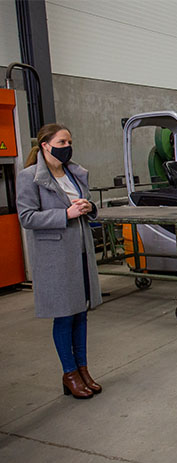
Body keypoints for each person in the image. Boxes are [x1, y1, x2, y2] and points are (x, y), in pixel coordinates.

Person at [16, 124, 103, 399]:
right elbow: (27, 217)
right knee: (65, 316)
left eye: (70, 141)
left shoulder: (73, 174)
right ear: (45, 145)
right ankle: (69, 374)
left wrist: (89, 208)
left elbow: (86, 204)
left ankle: (83, 369)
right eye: (62, 141)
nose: (68, 146)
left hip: (80, 252)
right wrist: (64, 214)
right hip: (55, 256)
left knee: (81, 313)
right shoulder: (29, 177)